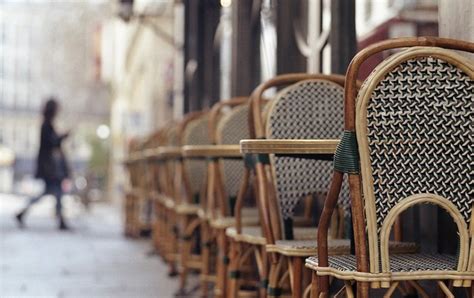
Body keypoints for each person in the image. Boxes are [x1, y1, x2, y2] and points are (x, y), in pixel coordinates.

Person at [15, 98, 71, 230]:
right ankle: (61, 220)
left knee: (51, 192)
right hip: (49, 167)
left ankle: (22, 213)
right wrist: (63, 137)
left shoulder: (48, 125)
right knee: (56, 192)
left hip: (50, 166)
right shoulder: (46, 125)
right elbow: (51, 143)